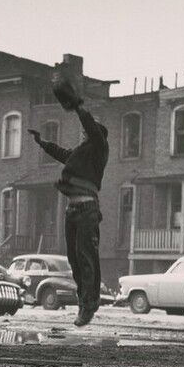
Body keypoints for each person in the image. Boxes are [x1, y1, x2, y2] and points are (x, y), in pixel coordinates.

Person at [28, 74, 109, 326]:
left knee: (86, 257)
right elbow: (63, 153)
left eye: (88, 133)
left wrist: (79, 106)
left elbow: (91, 128)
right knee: (74, 260)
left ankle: (89, 304)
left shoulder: (98, 149)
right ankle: (84, 302)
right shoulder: (80, 153)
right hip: (72, 211)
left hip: (86, 209)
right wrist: (42, 143)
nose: (84, 134)